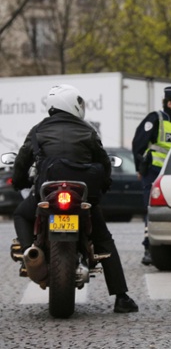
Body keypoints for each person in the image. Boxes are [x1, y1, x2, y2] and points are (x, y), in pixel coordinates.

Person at [11, 84, 138, 313]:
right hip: (81, 196)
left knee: (21, 213)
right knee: (104, 240)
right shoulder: (88, 131)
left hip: (47, 195)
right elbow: (104, 163)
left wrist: (19, 181)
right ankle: (121, 297)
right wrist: (105, 184)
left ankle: (30, 252)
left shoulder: (38, 130)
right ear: (72, 104)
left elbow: (22, 162)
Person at [132, 86, 171, 265]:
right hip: (153, 172)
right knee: (151, 211)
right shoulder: (155, 118)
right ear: (169, 103)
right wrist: (140, 169)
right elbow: (138, 143)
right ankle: (149, 248)